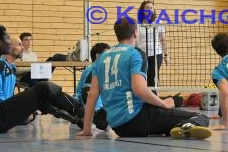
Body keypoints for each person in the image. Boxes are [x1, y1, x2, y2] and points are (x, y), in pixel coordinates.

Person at [79, 17, 210, 139]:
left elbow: (92, 95)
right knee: (201, 117)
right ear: (136, 33)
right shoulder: (134, 54)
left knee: (166, 106)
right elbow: (139, 90)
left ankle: (172, 127)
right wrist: (163, 103)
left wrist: (87, 130)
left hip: (118, 127)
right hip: (137, 119)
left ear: (117, 34)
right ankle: (182, 127)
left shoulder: (101, 58)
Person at [0, 24, 88, 136]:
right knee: (44, 88)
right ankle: (87, 113)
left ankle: (80, 119)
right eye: (8, 39)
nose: (10, 42)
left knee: (40, 99)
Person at [74, 42, 110, 130]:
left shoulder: (86, 71)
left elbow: (78, 92)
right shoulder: (98, 70)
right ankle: (93, 120)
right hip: (96, 110)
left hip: (86, 109)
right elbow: (87, 93)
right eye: (107, 54)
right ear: (98, 56)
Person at [137, 0, 169, 90]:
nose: (149, 9)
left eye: (151, 8)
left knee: (153, 79)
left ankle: (154, 100)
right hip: (141, 55)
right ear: (142, 10)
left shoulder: (158, 22)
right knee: (141, 78)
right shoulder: (138, 24)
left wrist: (166, 55)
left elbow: (163, 39)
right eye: (147, 7)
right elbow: (135, 40)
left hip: (156, 54)